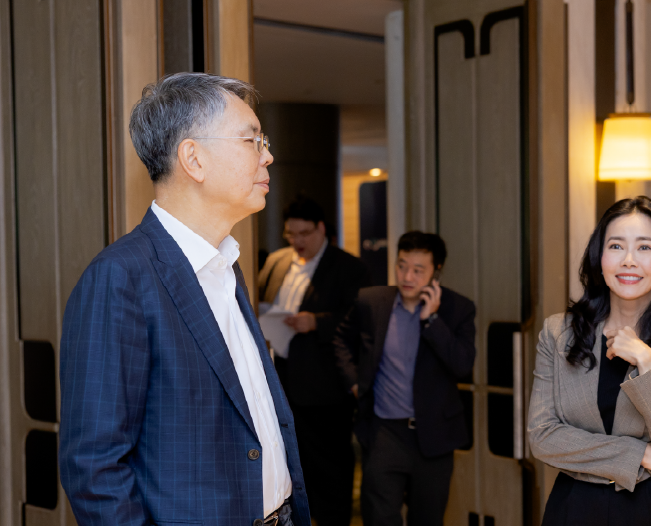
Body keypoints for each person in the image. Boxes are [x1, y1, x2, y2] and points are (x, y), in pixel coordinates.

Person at [59, 73, 310, 526]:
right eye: (252, 140)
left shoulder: (224, 264)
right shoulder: (121, 278)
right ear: (193, 158)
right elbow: (94, 468)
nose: (268, 155)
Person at [528, 196, 651, 526]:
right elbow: (543, 437)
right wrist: (639, 454)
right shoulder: (559, 333)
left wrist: (647, 361)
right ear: (599, 258)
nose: (629, 260)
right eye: (616, 246)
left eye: (644, 247)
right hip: (574, 509)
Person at [332, 231, 476, 526]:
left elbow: (462, 365)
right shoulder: (372, 301)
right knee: (379, 517)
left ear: (436, 271)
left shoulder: (457, 309)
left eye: (418, 270)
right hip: (384, 432)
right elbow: (341, 339)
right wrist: (354, 383)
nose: (407, 276)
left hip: (434, 436)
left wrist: (432, 320)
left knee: (428, 519)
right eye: (402, 266)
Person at [258, 196, 371, 525]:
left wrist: (316, 322)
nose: (298, 241)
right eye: (291, 234)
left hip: (326, 391)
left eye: (305, 234)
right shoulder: (278, 262)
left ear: (322, 229)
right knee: (292, 469)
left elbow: (362, 321)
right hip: (282, 381)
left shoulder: (349, 268)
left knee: (330, 470)